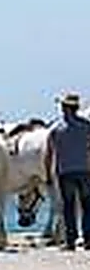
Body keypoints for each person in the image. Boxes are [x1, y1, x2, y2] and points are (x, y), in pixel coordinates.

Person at [49, 91, 90, 249]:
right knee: (87, 206)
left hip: (65, 172)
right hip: (85, 171)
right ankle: (88, 239)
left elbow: (50, 153)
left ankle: (70, 241)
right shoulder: (87, 126)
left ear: (64, 108)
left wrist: (49, 172)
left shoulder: (56, 128)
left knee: (69, 207)